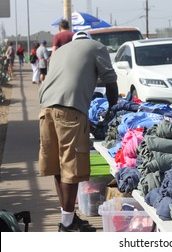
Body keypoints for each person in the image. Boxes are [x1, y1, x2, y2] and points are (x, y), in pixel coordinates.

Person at [38, 31, 118, 232]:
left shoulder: (59, 51)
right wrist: (113, 111)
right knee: (71, 167)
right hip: (70, 110)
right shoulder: (97, 47)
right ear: (88, 40)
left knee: (57, 165)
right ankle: (67, 224)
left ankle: (68, 218)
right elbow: (111, 83)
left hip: (45, 108)